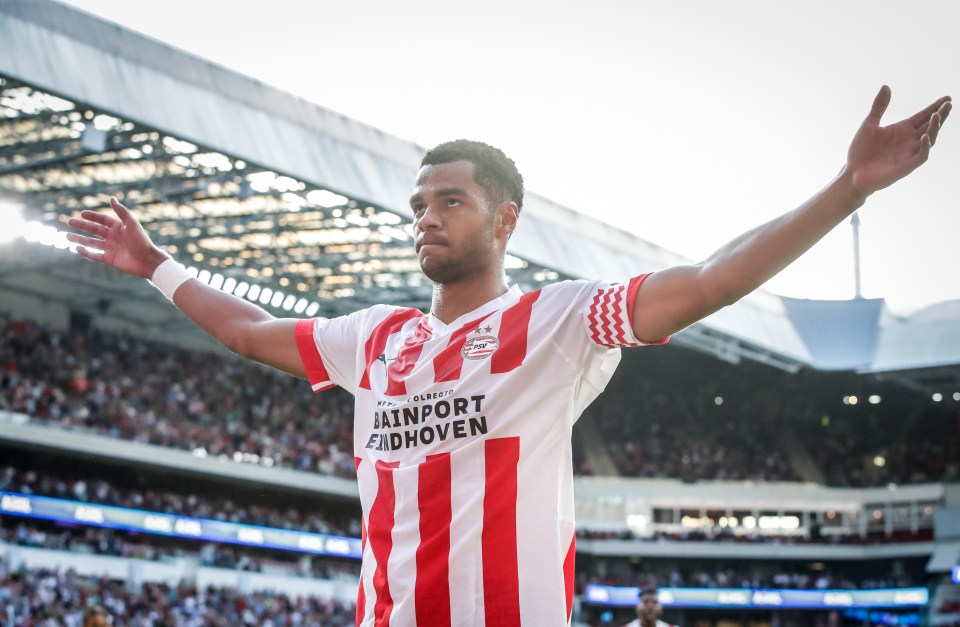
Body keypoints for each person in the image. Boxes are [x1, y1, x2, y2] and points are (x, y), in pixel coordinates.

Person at [66, 87, 950, 626]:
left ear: (505, 219)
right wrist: (158, 266)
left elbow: (714, 281)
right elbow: (249, 333)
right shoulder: (375, 337)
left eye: (450, 199)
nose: (427, 216)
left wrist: (846, 189)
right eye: (419, 202)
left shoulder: (557, 321)